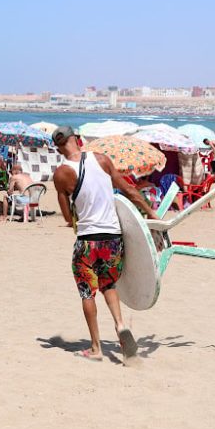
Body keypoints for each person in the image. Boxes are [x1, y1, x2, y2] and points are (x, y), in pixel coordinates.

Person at [52, 126, 159, 362]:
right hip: (112, 238)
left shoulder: (61, 174)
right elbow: (129, 190)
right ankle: (120, 325)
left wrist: (74, 211)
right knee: (108, 284)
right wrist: (152, 213)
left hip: (87, 241)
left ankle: (96, 348)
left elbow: (67, 218)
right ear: (77, 139)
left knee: (87, 292)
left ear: (59, 148)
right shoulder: (102, 160)